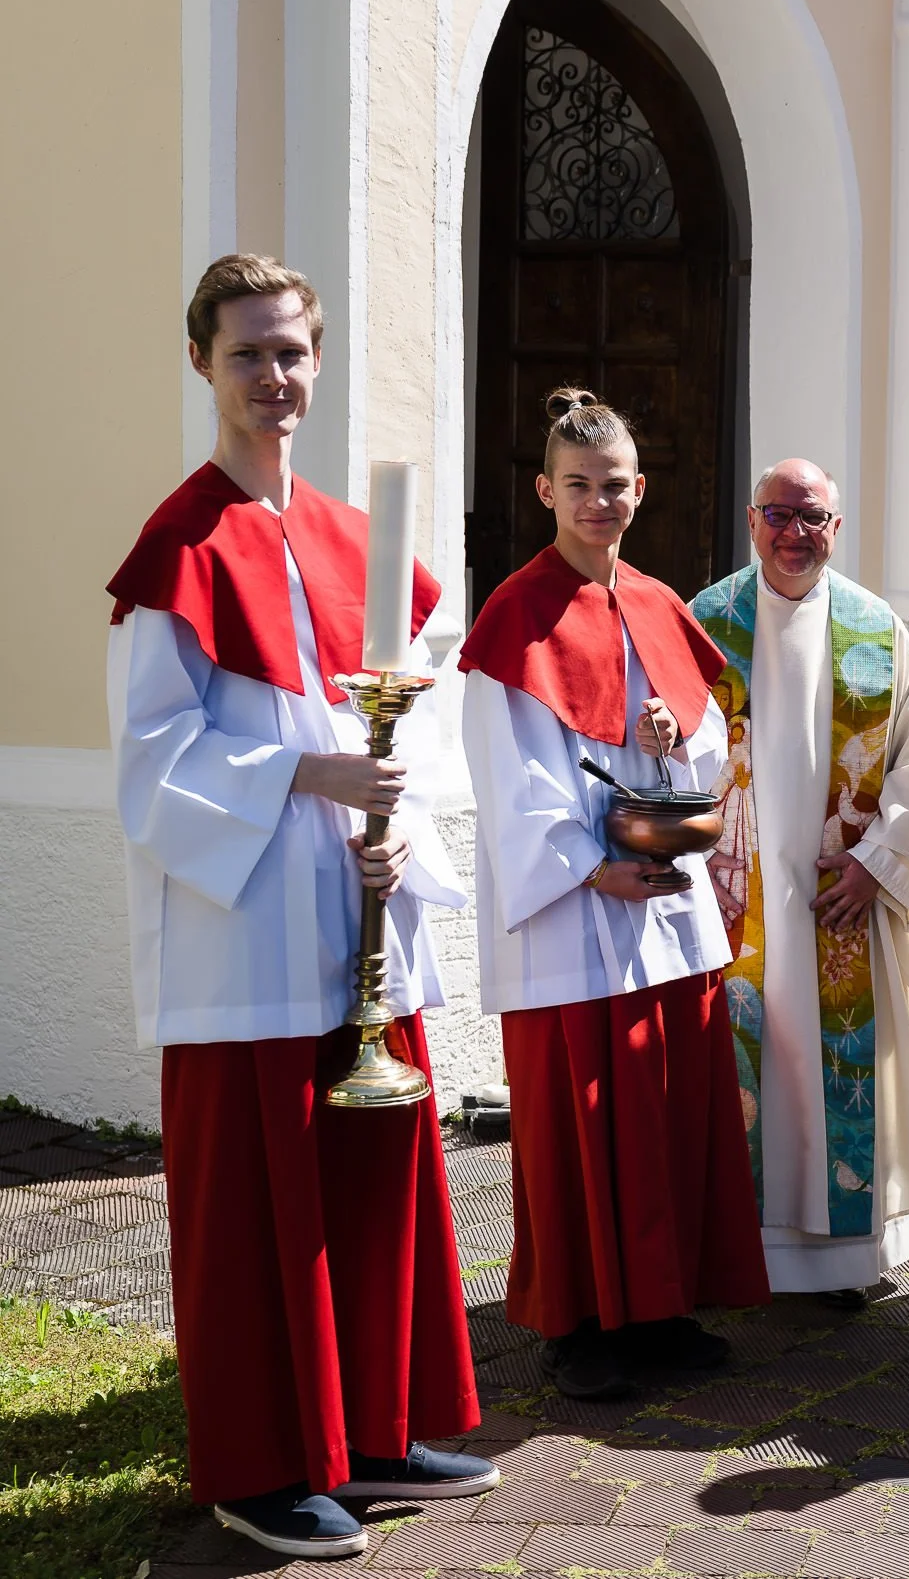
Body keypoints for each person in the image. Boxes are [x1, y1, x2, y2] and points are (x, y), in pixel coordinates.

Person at [106, 255, 493, 1560]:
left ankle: (372, 1430)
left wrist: (399, 829)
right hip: (247, 943)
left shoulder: (354, 539)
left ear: (317, 363)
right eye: (247, 353)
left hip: (362, 928)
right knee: (252, 1210)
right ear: (202, 364)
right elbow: (151, 761)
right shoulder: (177, 550)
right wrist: (307, 776)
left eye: (291, 352)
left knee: (372, 1187)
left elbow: (414, 720)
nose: (273, 376)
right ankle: (262, 1464)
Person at [460, 388, 769, 1401]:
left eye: (616, 484)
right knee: (580, 1122)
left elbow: (711, 744)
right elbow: (508, 774)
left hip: (664, 905)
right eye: (580, 484)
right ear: (545, 490)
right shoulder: (515, 616)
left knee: (666, 1111)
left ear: (641, 488)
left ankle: (664, 1306)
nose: (600, 501)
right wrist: (590, 866)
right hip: (575, 913)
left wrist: (679, 738)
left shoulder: (657, 601)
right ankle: (579, 1324)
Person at [689, 459, 909, 1304]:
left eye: (813, 517)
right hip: (731, 902)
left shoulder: (876, 629)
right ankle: (736, 1251)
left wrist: (877, 860)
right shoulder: (705, 623)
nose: (795, 532)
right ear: (751, 519)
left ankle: (842, 1258)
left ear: (835, 528)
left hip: (838, 897)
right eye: (779, 514)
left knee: (833, 1069)